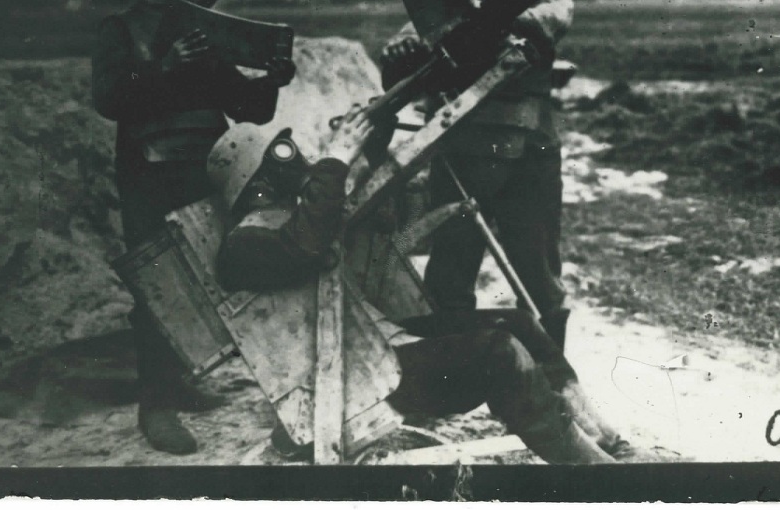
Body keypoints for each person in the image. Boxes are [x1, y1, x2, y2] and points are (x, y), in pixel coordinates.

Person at [214, 108, 634, 464]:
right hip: (361, 383)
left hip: (370, 354)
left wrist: (373, 146)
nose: (297, 160)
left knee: (517, 322)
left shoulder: (294, 221)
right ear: (255, 179)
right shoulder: (245, 244)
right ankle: (590, 468)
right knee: (499, 353)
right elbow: (304, 246)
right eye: (282, 155)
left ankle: (591, 426)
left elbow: (375, 228)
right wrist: (336, 159)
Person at [92, 0, 296, 455]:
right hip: (148, 172)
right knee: (158, 283)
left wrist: (271, 78)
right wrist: (163, 67)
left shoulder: (204, 34)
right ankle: (155, 404)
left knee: (207, 277)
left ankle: (179, 381)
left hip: (203, 166)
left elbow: (247, 107)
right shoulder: (120, 30)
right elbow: (110, 99)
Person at [379, 0, 574, 348]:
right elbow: (399, 59)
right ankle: (457, 370)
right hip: (466, 151)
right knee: (452, 268)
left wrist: (485, 7)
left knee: (537, 271)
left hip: (530, 152)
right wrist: (403, 50)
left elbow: (551, 22)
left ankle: (551, 383)